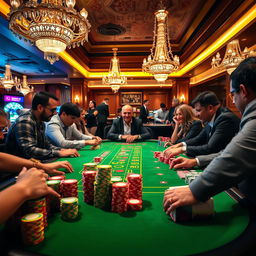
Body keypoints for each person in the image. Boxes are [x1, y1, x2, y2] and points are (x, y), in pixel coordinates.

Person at [164, 57, 256, 214]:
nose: (233, 101)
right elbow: (225, 152)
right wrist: (193, 160)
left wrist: (195, 190)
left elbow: (235, 157)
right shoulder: (214, 121)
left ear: (244, 91)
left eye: (233, 94)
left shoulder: (228, 118)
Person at [163, 91, 240, 158]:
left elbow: (210, 148)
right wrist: (180, 145)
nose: (196, 114)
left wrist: (182, 149)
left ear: (210, 108)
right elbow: (199, 138)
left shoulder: (225, 119)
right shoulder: (210, 119)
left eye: (198, 110)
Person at [5, 92, 79, 160]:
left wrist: (62, 150)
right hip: (19, 170)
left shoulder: (41, 122)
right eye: (52, 110)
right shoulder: (25, 121)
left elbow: (46, 145)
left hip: (33, 164)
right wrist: (59, 153)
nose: (55, 113)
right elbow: (29, 151)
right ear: (40, 108)